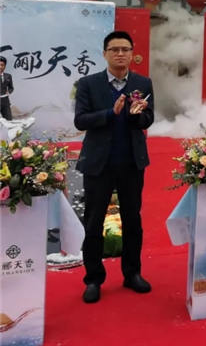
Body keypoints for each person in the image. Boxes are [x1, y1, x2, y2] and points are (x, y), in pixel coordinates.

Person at [74, 31, 154, 303]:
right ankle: (93, 278)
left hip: (131, 163)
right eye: (114, 49)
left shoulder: (143, 82)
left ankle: (132, 273)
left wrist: (136, 116)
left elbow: (148, 119)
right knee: (94, 222)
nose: (120, 54)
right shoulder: (88, 83)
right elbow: (80, 120)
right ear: (105, 53)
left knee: (133, 220)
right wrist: (111, 113)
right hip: (99, 163)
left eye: (125, 49)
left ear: (132, 54)